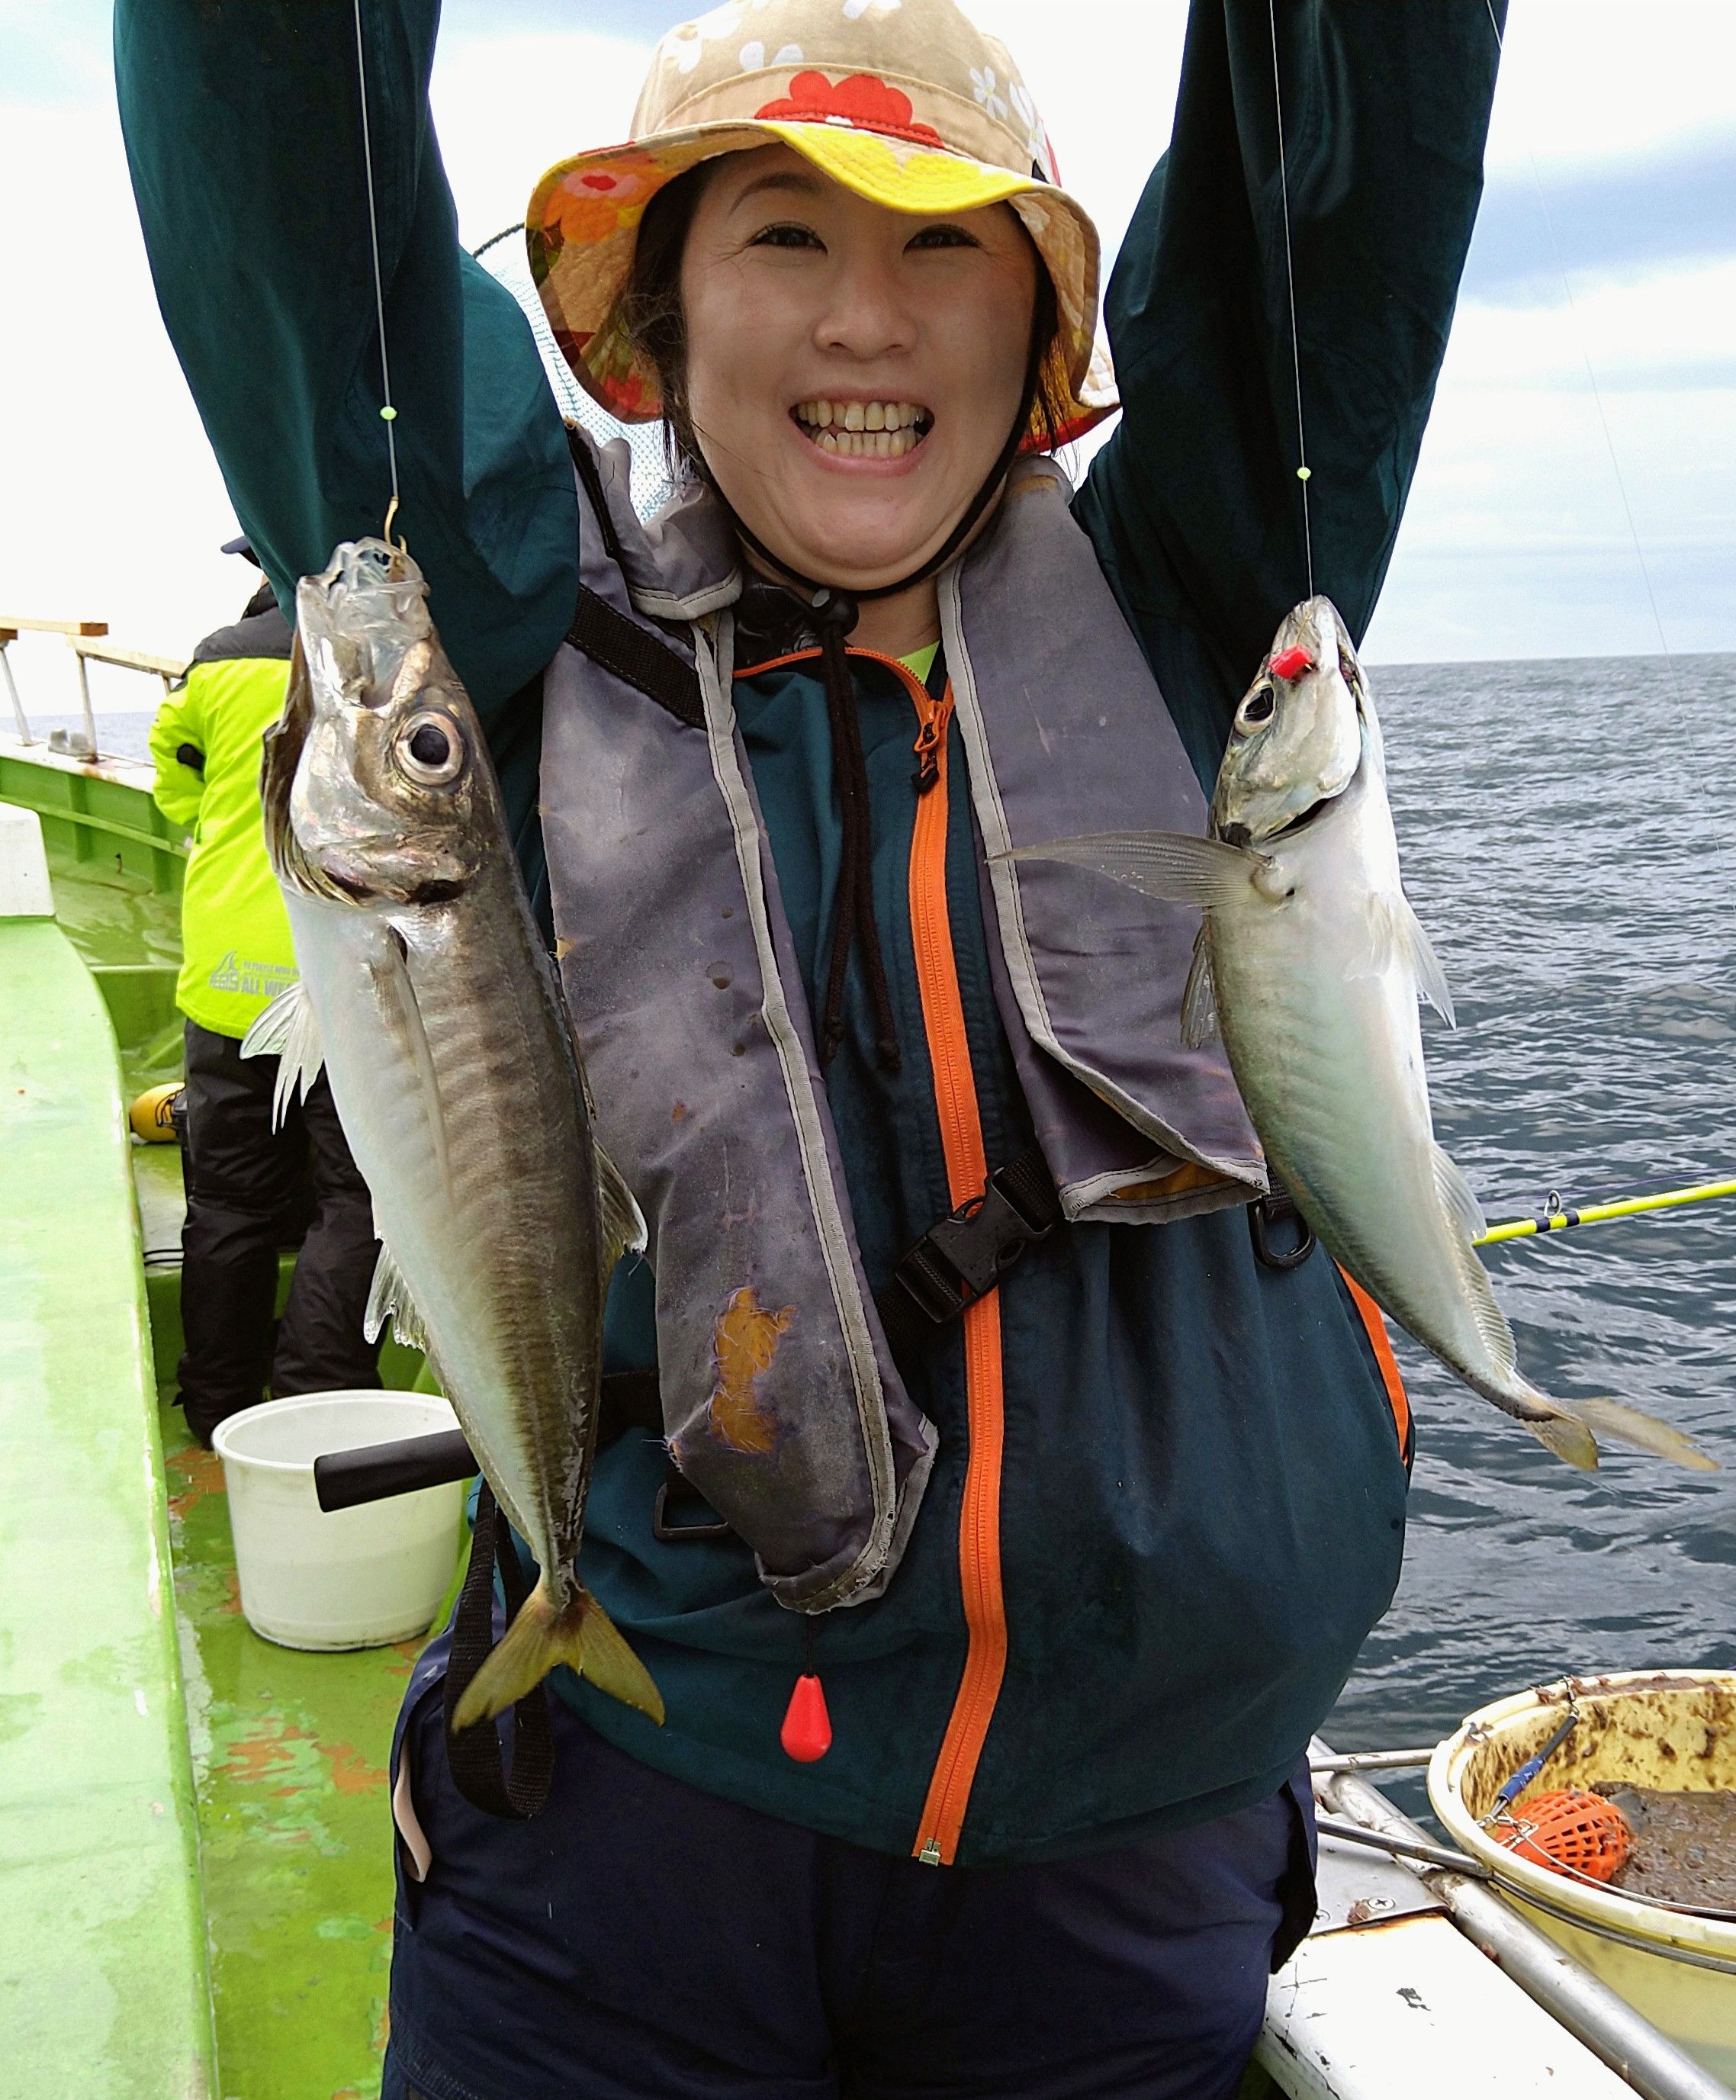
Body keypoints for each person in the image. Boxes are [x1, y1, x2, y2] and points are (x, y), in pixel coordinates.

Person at [118, 1, 1503, 2091]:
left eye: (945, 243)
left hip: (1126, 1860)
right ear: (659, 312)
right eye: (781, 235)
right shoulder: (513, 629)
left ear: (1041, 329)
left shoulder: (1201, 612)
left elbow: (1349, 190)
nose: (867, 317)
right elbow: (288, 188)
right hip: (630, 1827)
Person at [149, 541, 384, 1448]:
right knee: (353, 1200)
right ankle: (314, 1403)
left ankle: (214, 1401)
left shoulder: (214, 660)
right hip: (337, 985)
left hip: (224, 983)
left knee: (229, 1205)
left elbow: (175, 789)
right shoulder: (380, 665)